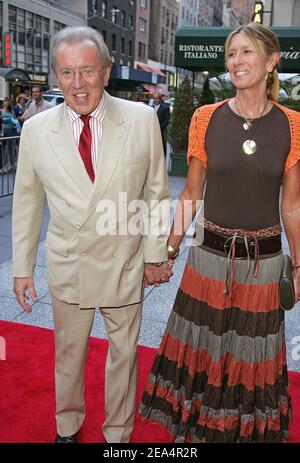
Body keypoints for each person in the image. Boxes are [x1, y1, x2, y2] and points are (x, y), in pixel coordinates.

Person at [140, 22, 300, 443]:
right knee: (205, 351)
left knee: (252, 355)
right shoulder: (205, 118)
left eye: (247, 53)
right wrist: (167, 251)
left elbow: (292, 204)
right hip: (208, 260)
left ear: (271, 62)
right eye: (232, 54)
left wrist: (299, 266)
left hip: (262, 267)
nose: (237, 62)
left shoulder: (294, 124)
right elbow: (191, 194)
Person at [12, 26, 173, 444]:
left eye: (86, 70)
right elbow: (28, 203)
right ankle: (67, 426)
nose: (77, 83)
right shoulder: (35, 130)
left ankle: (118, 435)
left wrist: (156, 254)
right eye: (66, 73)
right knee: (69, 355)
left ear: (105, 71)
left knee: (123, 356)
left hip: (124, 259)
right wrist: (23, 268)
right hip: (71, 262)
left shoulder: (141, 120)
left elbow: (156, 193)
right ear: (55, 76)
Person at [152, 93, 170, 157]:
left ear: (160, 99)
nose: (155, 100)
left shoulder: (165, 108)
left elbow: (166, 121)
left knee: (162, 146)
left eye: (156, 98)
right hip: (152, 131)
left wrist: (160, 129)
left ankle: (162, 160)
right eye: (154, 98)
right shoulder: (151, 108)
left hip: (161, 131)